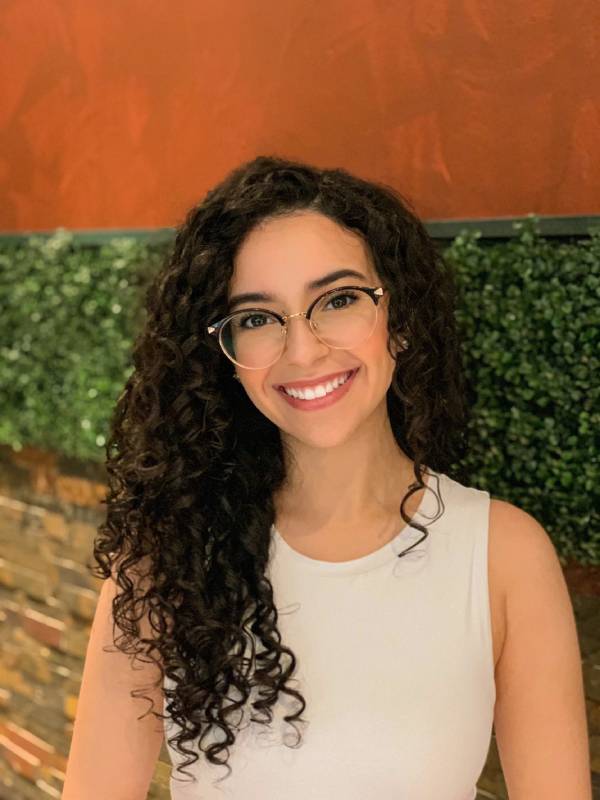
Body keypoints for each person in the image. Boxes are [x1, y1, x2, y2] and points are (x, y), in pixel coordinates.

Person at [62, 155, 591, 799]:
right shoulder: (163, 560)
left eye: (338, 300)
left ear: (399, 321)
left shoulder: (504, 556)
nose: (304, 349)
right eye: (257, 318)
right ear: (225, 356)